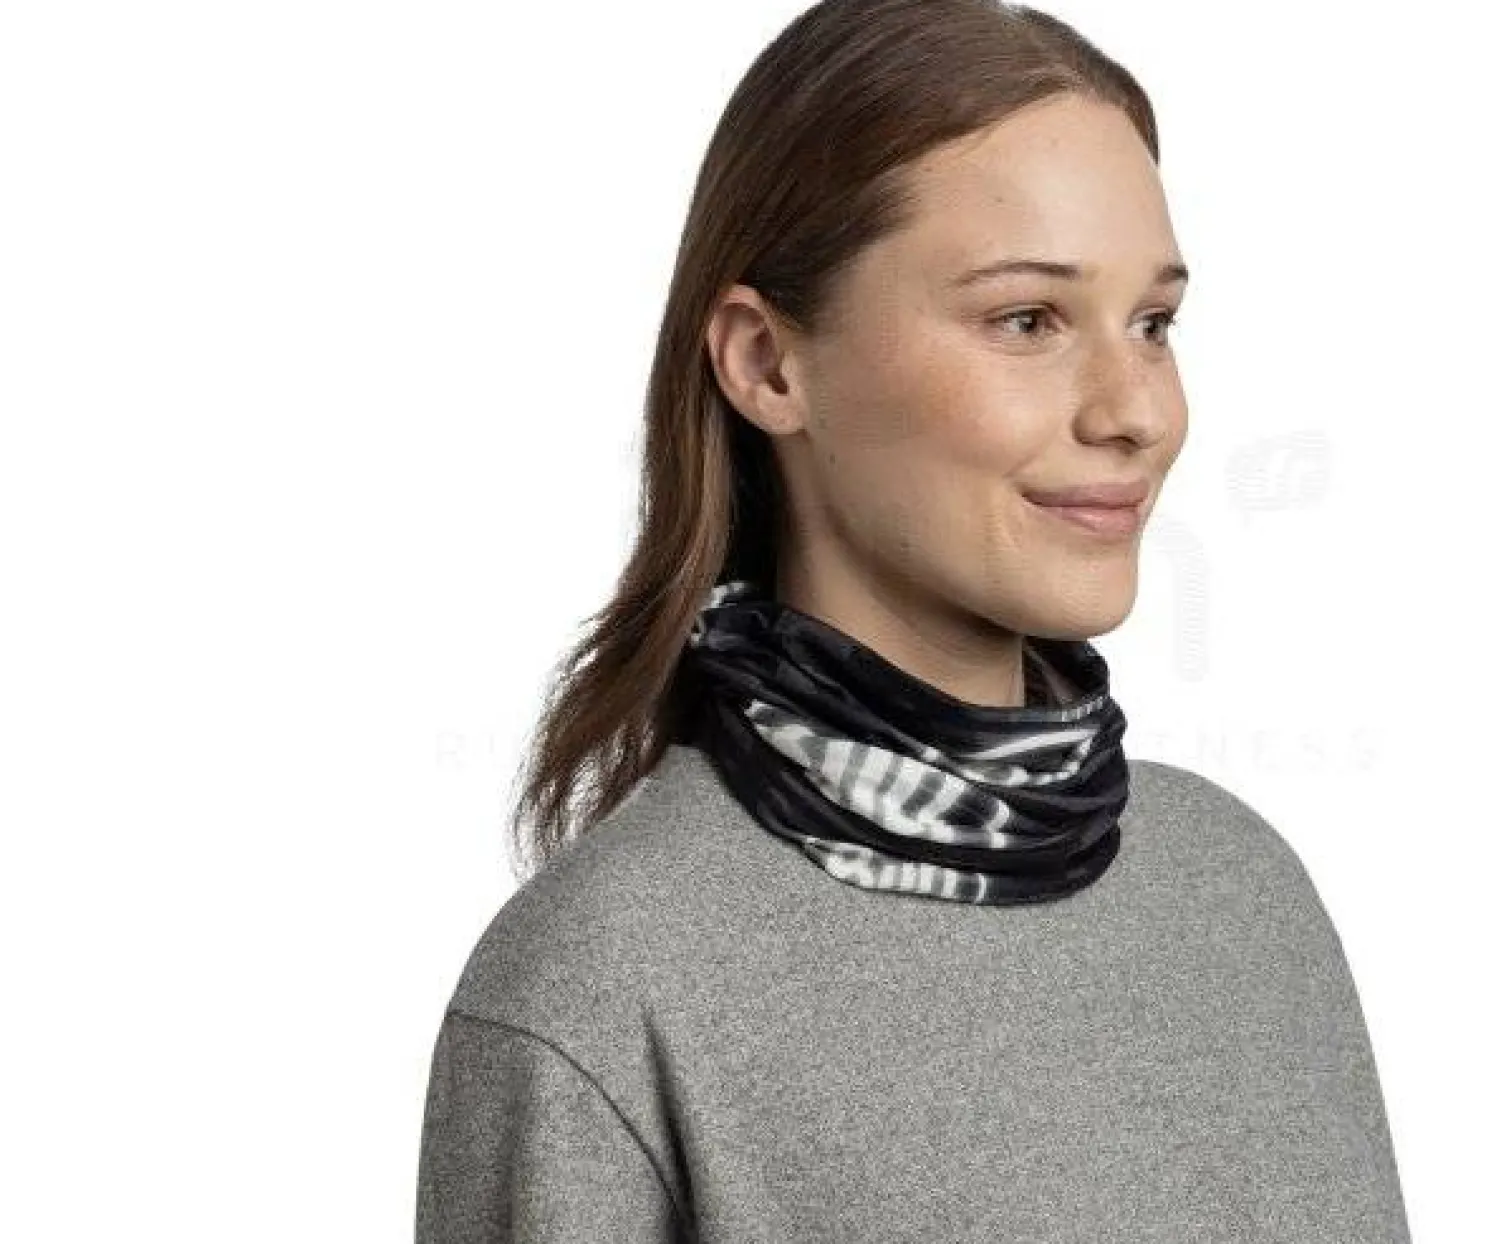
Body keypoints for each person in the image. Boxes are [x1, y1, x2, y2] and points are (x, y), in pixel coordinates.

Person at [413, 0, 1412, 1239]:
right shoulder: (604, 985)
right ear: (767, 364)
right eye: (1027, 320)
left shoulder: (1239, 892)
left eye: (1152, 323)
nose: (1139, 412)